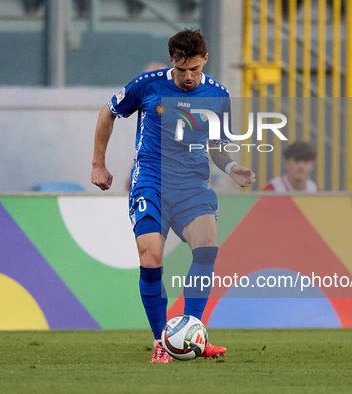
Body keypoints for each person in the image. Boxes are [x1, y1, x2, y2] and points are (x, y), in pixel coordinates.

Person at [91, 29, 255, 363]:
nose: (189, 76)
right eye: (182, 70)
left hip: (192, 186)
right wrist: (98, 165)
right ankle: (160, 343)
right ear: (172, 61)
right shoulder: (148, 84)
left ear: (205, 61)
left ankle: (193, 333)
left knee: (207, 248)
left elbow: (217, 147)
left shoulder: (218, 95)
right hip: (151, 181)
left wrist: (232, 167)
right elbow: (108, 112)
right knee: (151, 257)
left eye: (195, 69)